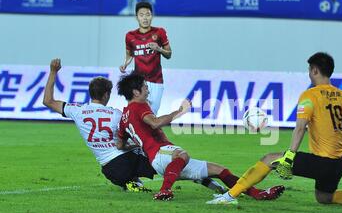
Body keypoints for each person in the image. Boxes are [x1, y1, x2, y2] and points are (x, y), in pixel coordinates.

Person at [207, 52, 342, 205]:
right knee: (324, 197)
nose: (309, 74)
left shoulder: (309, 95)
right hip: (340, 163)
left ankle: (230, 197)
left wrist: (289, 155)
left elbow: (300, 127)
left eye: (309, 70)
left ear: (314, 70)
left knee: (269, 159)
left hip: (323, 162)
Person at [116, 73, 285, 201]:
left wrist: (141, 143)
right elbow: (155, 123)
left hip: (162, 159)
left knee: (220, 170)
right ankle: (164, 190)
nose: (148, 89)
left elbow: (120, 145)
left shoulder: (124, 116)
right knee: (182, 154)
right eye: (145, 87)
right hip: (160, 154)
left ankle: (259, 194)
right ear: (136, 91)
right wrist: (180, 111)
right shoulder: (139, 106)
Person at [43, 58, 155, 192]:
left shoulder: (78, 111)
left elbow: (48, 101)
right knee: (148, 147)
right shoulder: (116, 114)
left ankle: (131, 182)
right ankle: (173, 172)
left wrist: (53, 71)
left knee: (129, 159)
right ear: (106, 94)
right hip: (124, 163)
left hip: (108, 169)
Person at [120, 1, 171, 115]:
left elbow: (169, 54)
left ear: (152, 16)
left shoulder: (159, 32)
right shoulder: (130, 36)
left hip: (156, 81)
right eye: (141, 15)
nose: (145, 18)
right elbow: (129, 54)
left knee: (151, 115)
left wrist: (159, 49)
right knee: (135, 114)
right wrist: (125, 64)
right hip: (138, 82)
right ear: (136, 17)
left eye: (148, 14)